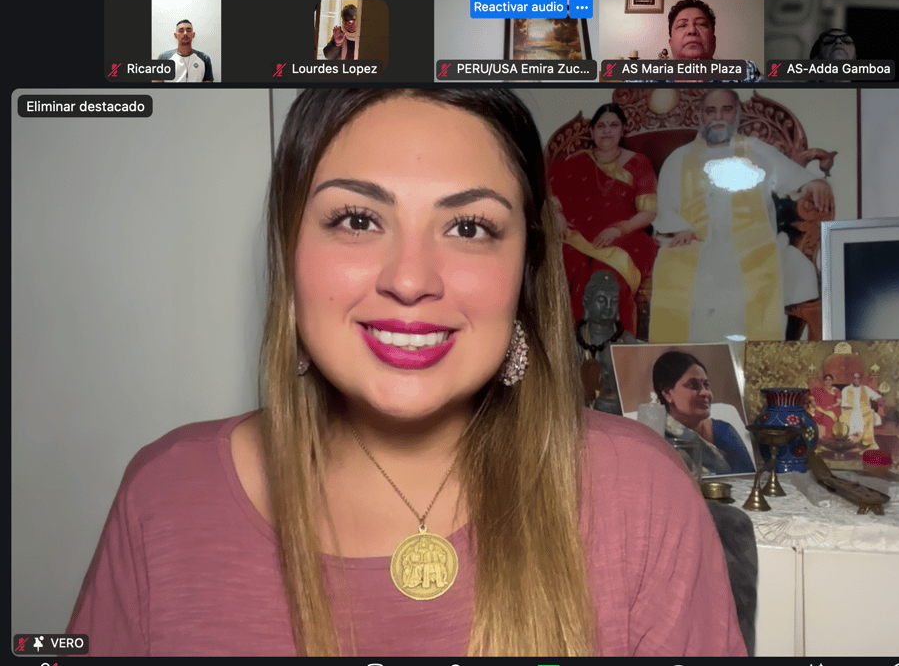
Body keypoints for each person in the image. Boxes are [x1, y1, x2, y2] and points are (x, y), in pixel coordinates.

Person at [67, 90, 745, 657]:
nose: (411, 280)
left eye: (471, 227)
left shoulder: (644, 496)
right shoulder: (164, 497)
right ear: (289, 247)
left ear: (526, 266)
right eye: (358, 219)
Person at [648, 88, 833, 343]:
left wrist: (814, 183)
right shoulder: (678, 159)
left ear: (737, 113)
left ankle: (747, 365)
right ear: (700, 116)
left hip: (751, 244)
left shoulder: (757, 151)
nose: (718, 117)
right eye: (710, 111)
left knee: (741, 282)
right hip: (696, 243)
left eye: (726, 109)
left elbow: (792, 176)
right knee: (683, 276)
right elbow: (665, 207)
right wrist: (678, 229)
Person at [547, 103, 659, 335]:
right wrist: (556, 214)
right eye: (601, 126)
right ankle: (571, 344)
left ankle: (616, 344)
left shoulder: (639, 163)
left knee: (606, 276)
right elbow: (547, 188)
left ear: (622, 130)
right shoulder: (577, 161)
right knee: (569, 263)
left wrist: (618, 230)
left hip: (625, 236)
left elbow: (648, 212)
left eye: (613, 125)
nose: (607, 131)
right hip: (575, 234)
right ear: (592, 131)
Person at [653, 351, 754, 474]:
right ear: (668, 394)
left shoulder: (723, 431)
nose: (705, 392)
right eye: (693, 385)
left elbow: (748, 480)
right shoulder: (657, 438)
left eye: (706, 385)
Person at [574, 270, 638, 414]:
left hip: (617, 416)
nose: (608, 306)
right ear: (586, 302)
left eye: (614, 301)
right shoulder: (573, 340)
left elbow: (635, 390)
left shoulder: (627, 342)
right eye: (601, 300)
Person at [666, 0, 763, 82]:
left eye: (701, 24)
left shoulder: (746, 72)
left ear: (713, 41)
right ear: (671, 43)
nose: (692, 30)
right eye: (682, 25)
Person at [839, 372, 882, 448]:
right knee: (847, 417)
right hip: (850, 410)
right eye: (854, 378)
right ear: (852, 379)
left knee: (868, 415)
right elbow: (844, 405)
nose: (856, 380)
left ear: (860, 379)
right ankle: (851, 440)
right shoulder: (846, 389)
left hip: (864, 410)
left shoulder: (866, 389)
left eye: (858, 378)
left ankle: (866, 441)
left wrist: (880, 400)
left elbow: (878, 397)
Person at [809, 373, 842, 440]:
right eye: (826, 380)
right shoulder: (818, 389)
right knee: (816, 415)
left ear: (832, 381)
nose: (828, 381)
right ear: (824, 381)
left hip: (832, 408)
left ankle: (828, 437)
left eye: (830, 380)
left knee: (828, 418)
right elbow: (810, 397)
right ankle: (815, 437)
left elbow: (838, 402)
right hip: (819, 408)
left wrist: (831, 406)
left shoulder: (836, 390)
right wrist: (813, 402)